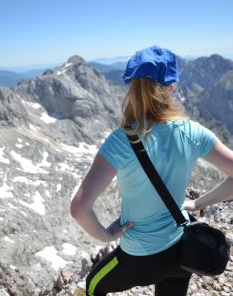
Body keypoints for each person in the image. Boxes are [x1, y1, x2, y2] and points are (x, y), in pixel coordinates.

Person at [70, 45, 233, 296]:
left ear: (131, 87)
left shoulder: (120, 141)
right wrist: (198, 202)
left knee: (92, 286)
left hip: (137, 260)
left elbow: (79, 208)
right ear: (172, 87)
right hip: (181, 254)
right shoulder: (193, 132)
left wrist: (106, 235)